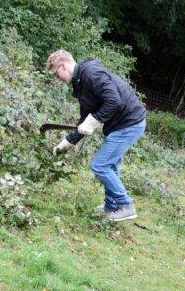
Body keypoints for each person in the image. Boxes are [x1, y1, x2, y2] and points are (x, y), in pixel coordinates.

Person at [48, 49, 146, 222]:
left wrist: (94, 121)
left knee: (100, 165)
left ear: (63, 66)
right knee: (111, 167)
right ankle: (111, 208)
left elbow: (114, 100)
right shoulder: (79, 85)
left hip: (130, 122)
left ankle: (126, 205)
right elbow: (84, 121)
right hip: (119, 125)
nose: (58, 79)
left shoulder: (91, 73)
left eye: (57, 74)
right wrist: (66, 143)